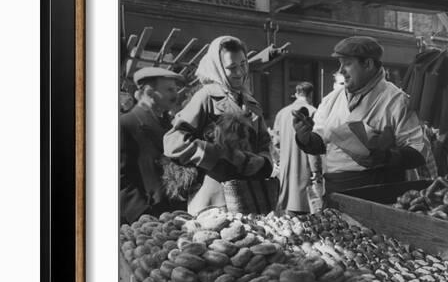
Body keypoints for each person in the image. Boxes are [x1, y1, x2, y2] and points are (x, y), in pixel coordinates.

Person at [292, 36, 429, 195]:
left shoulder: (397, 101)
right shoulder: (331, 100)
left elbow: (419, 151)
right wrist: (304, 137)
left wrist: (385, 157)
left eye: (348, 63)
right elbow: (321, 143)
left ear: (368, 64)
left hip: (379, 191)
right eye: (340, 64)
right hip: (336, 190)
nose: (341, 70)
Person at [163, 36, 273, 215]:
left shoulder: (251, 103)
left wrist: (261, 161)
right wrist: (217, 155)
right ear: (218, 68)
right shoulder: (206, 97)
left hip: (249, 198)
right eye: (231, 67)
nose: (239, 72)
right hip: (214, 201)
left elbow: (264, 144)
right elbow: (173, 141)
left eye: (243, 64)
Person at [120, 66, 185, 224]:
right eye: (169, 90)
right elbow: (119, 178)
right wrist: (141, 214)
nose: (175, 95)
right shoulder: (125, 123)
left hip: (174, 215)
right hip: (146, 220)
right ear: (149, 92)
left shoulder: (170, 126)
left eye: (176, 89)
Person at [273, 82, 322, 214]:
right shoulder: (313, 112)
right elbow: (315, 145)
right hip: (305, 171)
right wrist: (316, 171)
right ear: (311, 95)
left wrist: (279, 162)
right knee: (307, 214)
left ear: (296, 94)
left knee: (288, 215)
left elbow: (275, 143)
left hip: (285, 170)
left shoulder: (281, 113)